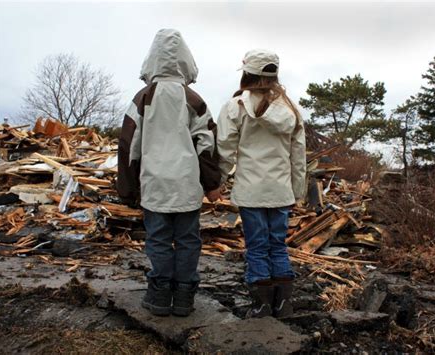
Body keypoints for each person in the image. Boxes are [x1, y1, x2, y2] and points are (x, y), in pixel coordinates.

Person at [117, 29, 222, 317]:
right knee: (188, 240)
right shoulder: (193, 99)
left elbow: (129, 145)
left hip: (154, 185)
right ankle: (185, 297)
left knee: (158, 239)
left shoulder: (143, 98)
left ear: (151, 60)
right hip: (186, 185)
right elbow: (207, 144)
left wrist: (128, 190)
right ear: (186, 61)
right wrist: (212, 184)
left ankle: (160, 296)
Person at [216, 49, 306, 318]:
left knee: (256, 246)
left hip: (250, 191)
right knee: (277, 245)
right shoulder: (290, 110)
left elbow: (224, 150)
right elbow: (298, 157)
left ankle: (261, 305)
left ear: (247, 73)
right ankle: (283, 305)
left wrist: (216, 182)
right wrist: (298, 193)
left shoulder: (236, 107)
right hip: (280, 191)